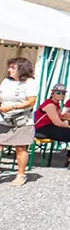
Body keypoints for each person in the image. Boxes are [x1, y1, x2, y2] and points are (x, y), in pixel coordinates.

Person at [0, 57, 39, 187]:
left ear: (21, 69)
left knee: (20, 148)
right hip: (4, 117)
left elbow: (31, 101)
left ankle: (20, 175)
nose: (9, 70)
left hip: (22, 119)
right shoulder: (6, 82)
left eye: (13, 67)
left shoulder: (29, 82)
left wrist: (12, 107)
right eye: (9, 67)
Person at [34, 83, 70, 165]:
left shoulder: (55, 105)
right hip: (43, 129)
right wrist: (69, 127)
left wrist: (65, 118)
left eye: (63, 93)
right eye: (58, 92)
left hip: (49, 128)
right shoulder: (50, 105)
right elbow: (58, 122)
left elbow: (60, 118)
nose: (61, 95)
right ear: (52, 94)